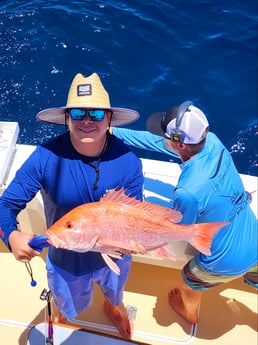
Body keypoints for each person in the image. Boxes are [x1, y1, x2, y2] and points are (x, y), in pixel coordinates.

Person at [0, 72, 144, 339]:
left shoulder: (129, 161)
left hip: (115, 255)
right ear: (67, 118)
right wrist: (12, 235)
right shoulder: (45, 157)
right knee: (68, 306)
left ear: (109, 118)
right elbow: (5, 204)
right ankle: (64, 316)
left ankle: (113, 306)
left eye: (97, 114)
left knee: (115, 292)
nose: (87, 121)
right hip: (67, 261)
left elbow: (137, 212)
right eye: (78, 113)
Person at [112, 100, 257, 324]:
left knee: (191, 278)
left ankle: (189, 313)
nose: (162, 139)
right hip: (254, 239)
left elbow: (179, 229)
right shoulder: (213, 142)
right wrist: (113, 131)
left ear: (179, 144)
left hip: (224, 261)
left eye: (166, 136)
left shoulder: (187, 191)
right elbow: (157, 143)